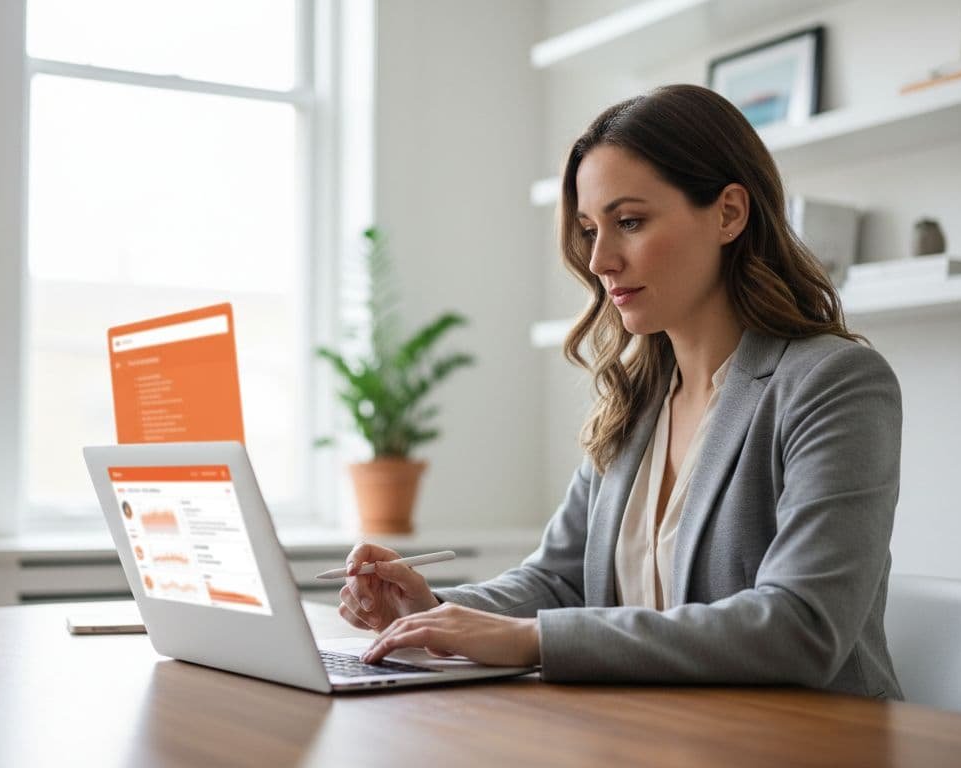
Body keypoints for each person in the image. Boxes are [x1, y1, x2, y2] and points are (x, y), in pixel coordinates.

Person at [341, 84, 903, 699]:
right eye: (589, 229)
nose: (600, 259)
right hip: (661, 737)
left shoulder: (832, 383)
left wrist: (534, 640)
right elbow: (560, 581)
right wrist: (433, 608)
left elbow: (802, 627)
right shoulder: (635, 400)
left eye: (629, 222)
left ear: (729, 213)